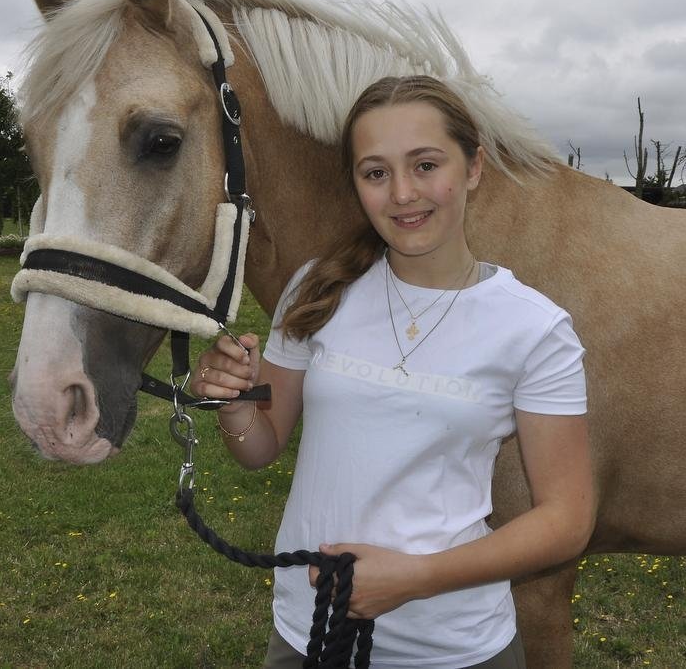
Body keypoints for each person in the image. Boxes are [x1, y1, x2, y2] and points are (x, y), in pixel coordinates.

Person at [193, 75, 594, 668]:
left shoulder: (534, 328)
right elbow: (261, 447)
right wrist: (234, 407)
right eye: (376, 173)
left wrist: (416, 577)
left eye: (426, 164)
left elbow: (566, 520)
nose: (403, 193)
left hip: (455, 648)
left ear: (474, 168)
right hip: (308, 633)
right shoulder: (317, 290)